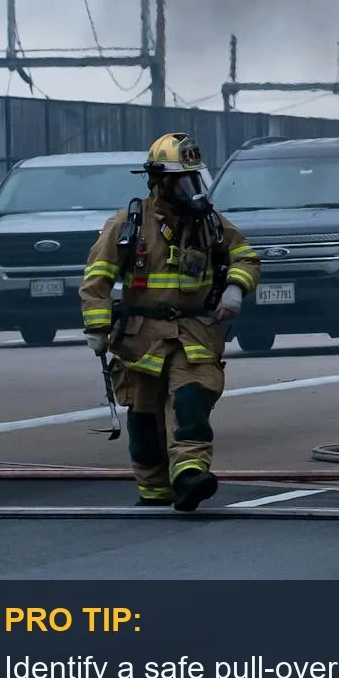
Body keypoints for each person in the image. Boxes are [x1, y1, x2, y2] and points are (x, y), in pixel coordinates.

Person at [78, 133, 260, 511]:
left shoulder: (210, 223)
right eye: (184, 180)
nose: (193, 188)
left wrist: (235, 290)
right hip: (141, 337)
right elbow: (96, 277)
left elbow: (246, 257)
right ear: (160, 181)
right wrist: (97, 328)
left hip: (195, 332)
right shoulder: (128, 224)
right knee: (144, 418)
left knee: (191, 403)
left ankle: (190, 475)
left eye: (196, 179)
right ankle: (156, 488)